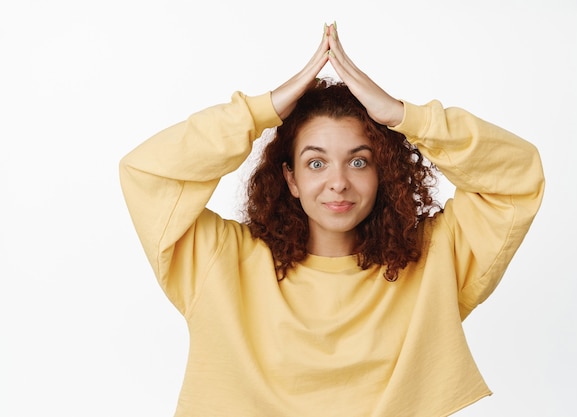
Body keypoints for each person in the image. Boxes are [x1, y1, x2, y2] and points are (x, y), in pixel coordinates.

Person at [120, 22, 544, 417]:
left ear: (382, 173)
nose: (338, 182)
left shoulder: (434, 259)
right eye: (316, 163)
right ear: (291, 178)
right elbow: (148, 174)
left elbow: (518, 175)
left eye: (359, 162)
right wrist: (258, 111)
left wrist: (404, 116)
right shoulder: (221, 262)